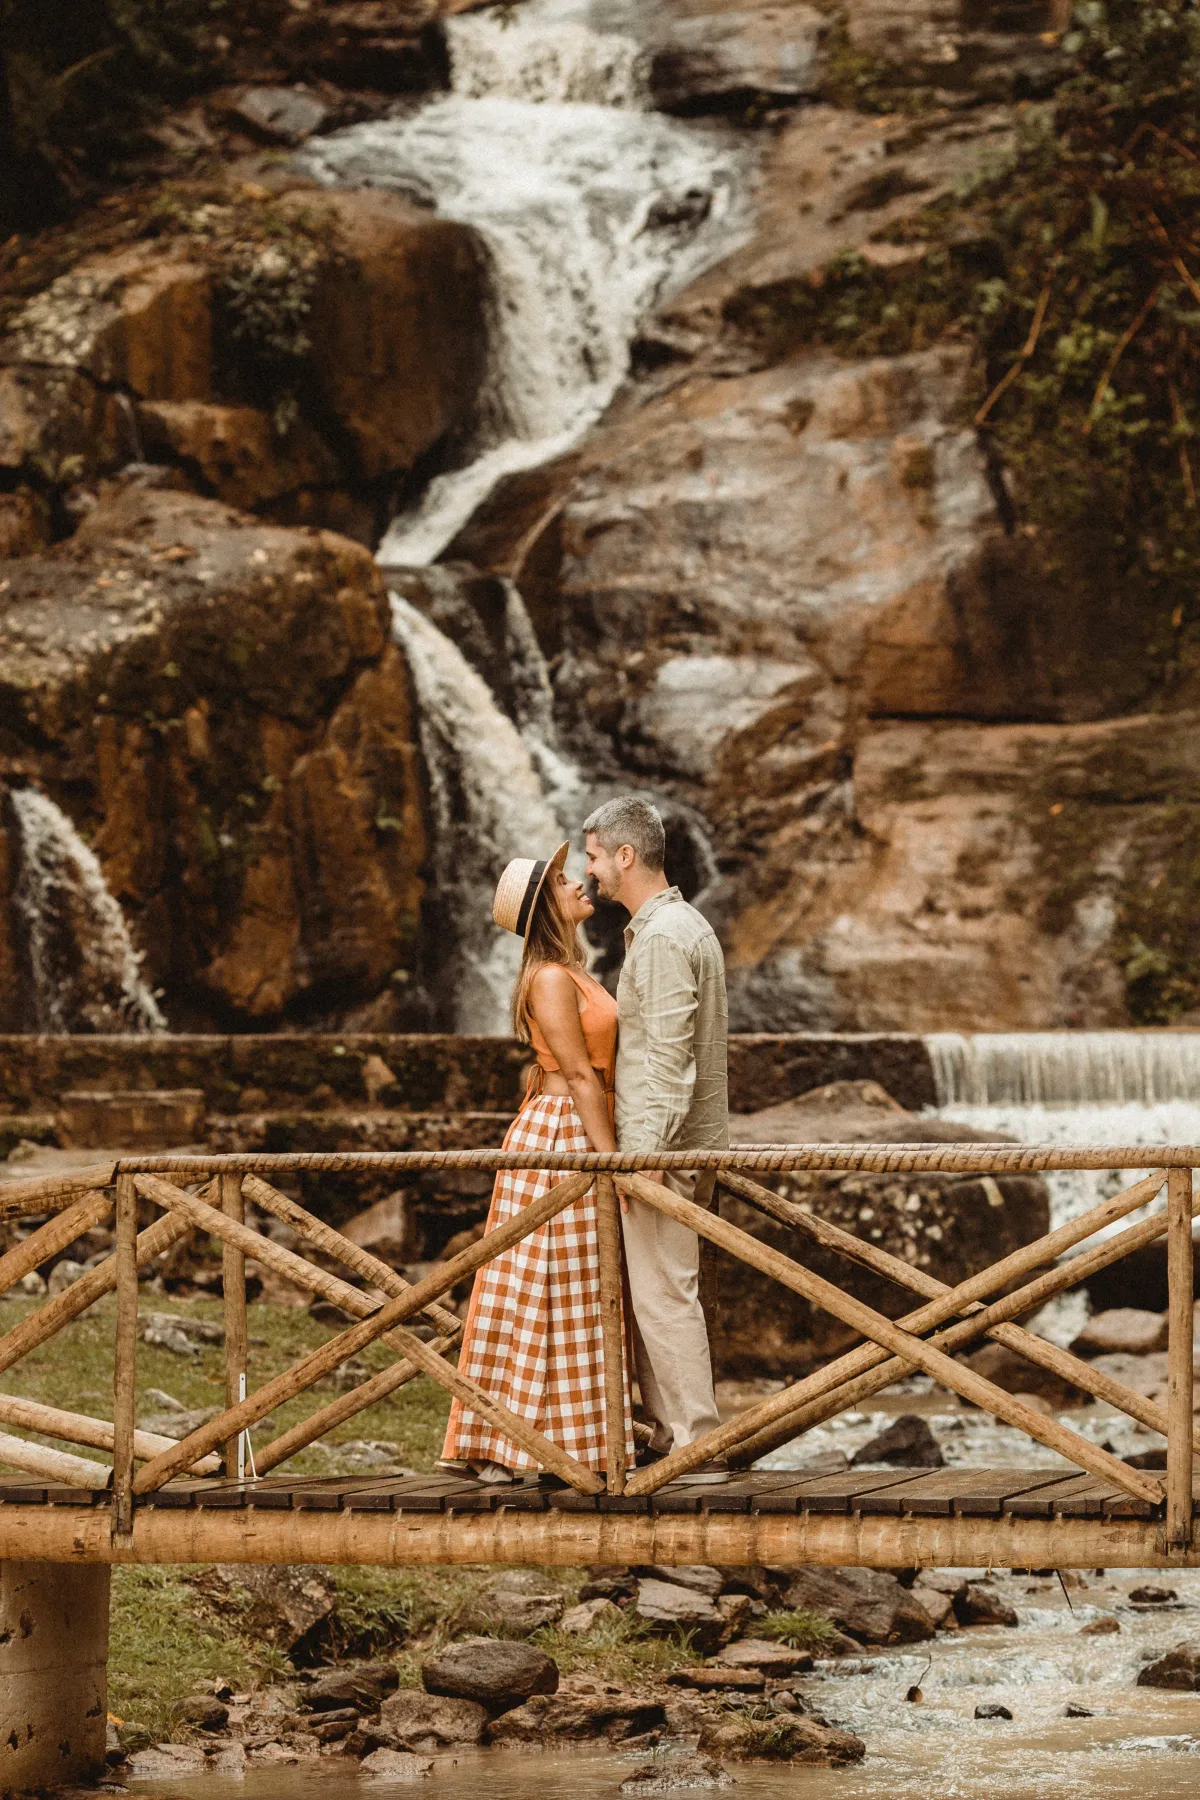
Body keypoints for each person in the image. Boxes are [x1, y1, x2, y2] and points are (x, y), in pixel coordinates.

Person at [439, 841, 633, 1483]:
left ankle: (571, 1442)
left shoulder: (574, 971)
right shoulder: (550, 978)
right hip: (562, 1134)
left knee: (573, 1286)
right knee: (540, 1284)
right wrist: (615, 1164)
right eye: (561, 881)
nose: (580, 881)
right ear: (544, 907)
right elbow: (578, 1073)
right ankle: (509, 1442)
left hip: (578, 1126)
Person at [583, 795, 729, 1483]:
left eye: (593, 857)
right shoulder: (669, 928)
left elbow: (668, 1061)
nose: (589, 874)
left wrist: (640, 1160)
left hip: (661, 1152)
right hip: (674, 1146)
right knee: (659, 1293)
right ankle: (672, 1437)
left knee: (666, 1295)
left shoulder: (667, 937)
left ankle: (697, 1445)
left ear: (625, 855)